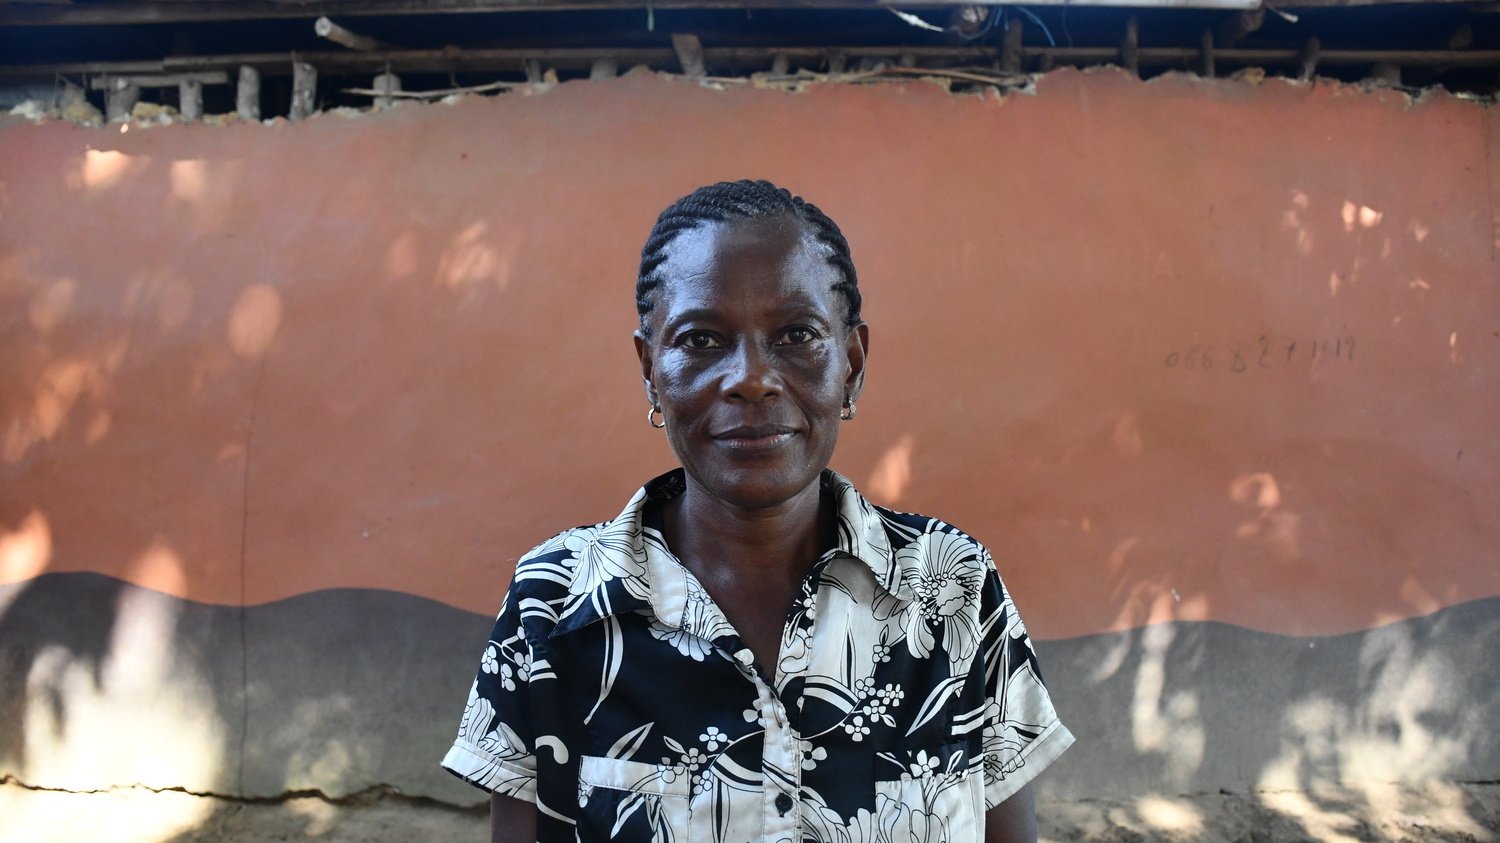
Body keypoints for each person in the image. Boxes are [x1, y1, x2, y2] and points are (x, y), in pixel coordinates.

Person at [442, 180, 1074, 843]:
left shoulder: (952, 587)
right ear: (650, 370)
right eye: (701, 339)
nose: (751, 378)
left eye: (797, 334)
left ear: (852, 363)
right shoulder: (555, 603)